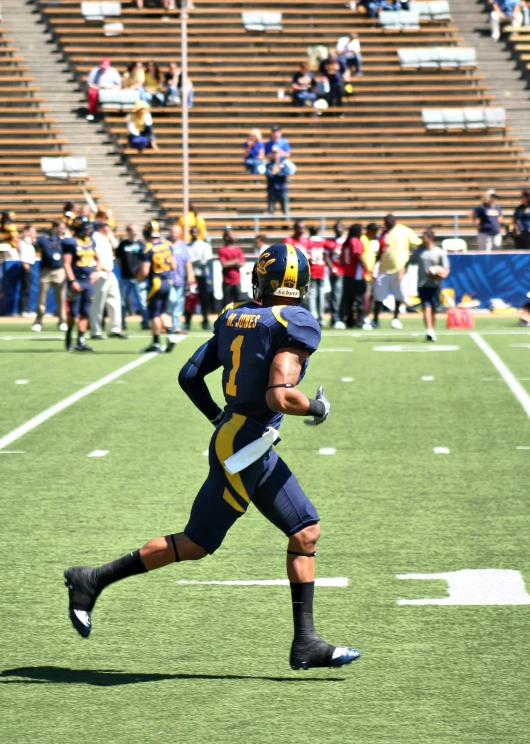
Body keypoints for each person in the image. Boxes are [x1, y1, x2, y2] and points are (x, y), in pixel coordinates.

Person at [63, 242, 361, 672]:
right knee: (222, 540)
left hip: (240, 438)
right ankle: (91, 580)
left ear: (262, 278)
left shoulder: (235, 314)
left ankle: (306, 643)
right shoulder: (295, 320)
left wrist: (219, 418)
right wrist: (318, 407)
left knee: (297, 533)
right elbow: (281, 395)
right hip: (246, 444)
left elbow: (189, 375)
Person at [371, 214, 421, 329]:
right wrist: (374, 268)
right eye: (385, 221)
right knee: (378, 296)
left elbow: (417, 244)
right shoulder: (384, 233)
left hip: (399, 270)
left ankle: (395, 318)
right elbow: (380, 251)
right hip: (383, 269)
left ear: (393, 221)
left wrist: (407, 263)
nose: (387, 223)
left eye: (388, 221)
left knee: (399, 296)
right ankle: (375, 319)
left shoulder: (404, 231)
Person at [62, 217, 102, 352]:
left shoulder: (91, 242)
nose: (89, 229)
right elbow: (67, 263)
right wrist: (73, 280)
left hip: (88, 281)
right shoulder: (71, 242)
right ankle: (69, 336)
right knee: (73, 313)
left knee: (85, 312)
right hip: (77, 280)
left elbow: (98, 259)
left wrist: (96, 271)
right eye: (86, 227)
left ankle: (81, 340)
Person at [137, 220, 176, 353]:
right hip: (167, 281)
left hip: (156, 283)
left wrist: (138, 279)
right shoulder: (167, 245)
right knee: (163, 312)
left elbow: (145, 272)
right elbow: (174, 266)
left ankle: (156, 343)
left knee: (154, 313)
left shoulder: (148, 248)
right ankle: (171, 336)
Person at [408, 230, 450, 342]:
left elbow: (446, 268)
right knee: (427, 306)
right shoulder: (419, 252)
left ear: (431, 238)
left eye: (425, 237)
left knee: (434, 309)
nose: (423, 239)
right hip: (423, 284)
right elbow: (409, 262)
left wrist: (441, 275)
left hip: (435, 285)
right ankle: (429, 330)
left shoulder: (439, 252)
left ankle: (432, 329)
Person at [89, 221, 126, 340]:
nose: (109, 228)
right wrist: (101, 268)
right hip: (100, 272)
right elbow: (96, 255)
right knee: (98, 304)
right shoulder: (95, 238)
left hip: (110, 272)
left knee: (114, 301)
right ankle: (96, 330)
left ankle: (115, 328)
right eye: (107, 226)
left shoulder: (104, 238)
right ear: (101, 227)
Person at [32, 221, 67, 332]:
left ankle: (62, 321)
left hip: (59, 270)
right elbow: (35, 247)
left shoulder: (64, 240)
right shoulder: (44, 238)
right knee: (42, 298)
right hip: (46, 271)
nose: (63, 230)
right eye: (61, 228)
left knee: (61, 298)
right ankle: (38, 321)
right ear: (55, 228)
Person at [116, 224, 149, 330]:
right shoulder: (123, 244)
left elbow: (145, 260)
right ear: (127, 231)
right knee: (122, 302)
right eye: (132, 230)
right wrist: (124, 267)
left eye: (135, 230)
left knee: (142, 302)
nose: (134, 232)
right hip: (125, 277)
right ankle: (122, 323)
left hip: (138, 279)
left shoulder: (141, 244)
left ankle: (145, 323)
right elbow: (117, 259)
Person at [341, 224, 370, 328]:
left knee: (348, 300)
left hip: (347, 274)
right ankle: (360, 322)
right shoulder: (356, 241)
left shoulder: (346, 242)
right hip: (357, 275)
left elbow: (342, 259)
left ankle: (349, 321)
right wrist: (368, 270)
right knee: (360, 299)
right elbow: (359, 256)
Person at [184, 225, 213, 330]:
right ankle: (187, 322)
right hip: (191, 276)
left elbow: (205, 260)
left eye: (196, 232)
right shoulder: (187, 246)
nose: (194, 234)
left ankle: (205, 321)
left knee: (204, 300)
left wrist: (192, 261)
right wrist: (196, 260)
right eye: (193, 232)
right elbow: (188, 261)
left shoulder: (205, 245)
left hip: (202, 276)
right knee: (190, 300)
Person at [306, 225, 336, 326]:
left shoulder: (308, 242)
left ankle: (313, 316)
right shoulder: (323, 242)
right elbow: (328, 254)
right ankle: (321, 316)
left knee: (313, 295)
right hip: (322, 270)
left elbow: (308, 257)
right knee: (321, 295)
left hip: (312, 270)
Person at [168, 223, 194, 333]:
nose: (174, 234)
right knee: (170, 301)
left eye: (176, 232)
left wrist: (190, 275)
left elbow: (187, 262)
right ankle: (167, 324)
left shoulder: (183, 246)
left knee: (178, 303)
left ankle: (176, 326)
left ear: (180, 234)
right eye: (172, 232)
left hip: (180, 279)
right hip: (167, 279)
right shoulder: (165, 244)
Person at [86, 58, 122, 122]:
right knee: (92, 93)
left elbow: (118, 84)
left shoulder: (113, 71)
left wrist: (113, 89)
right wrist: (97, 87)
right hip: (98, 88)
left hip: (111, 89)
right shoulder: (95, 71)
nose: (104, 69)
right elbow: (90, 83)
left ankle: (116, 112)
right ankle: (92, 112)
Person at [326, 220, 346, 329]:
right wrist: (333, 269)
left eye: (340, 227)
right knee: (336, 297)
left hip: (347, 272)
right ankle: (336, 318)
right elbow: (327, 257)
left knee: (344, 297)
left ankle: (344, 318)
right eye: (337, 227)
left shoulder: (346, 241)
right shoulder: (330, 242)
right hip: (336, 272)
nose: (339, 229)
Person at [218, 229, 246, 306]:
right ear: (226, 237)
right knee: (226, 303)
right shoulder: (222, 250)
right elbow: (224, 264)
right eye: (231, 234)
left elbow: (242, 262)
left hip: (237, 281)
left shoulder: (238, 249)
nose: (234, 236)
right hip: (227, 281)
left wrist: (231, 263)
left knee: (238, 303)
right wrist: (235, 261)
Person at [360, 222, 379, 329]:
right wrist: (368, 272)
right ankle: (364, 318)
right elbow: (362, 258)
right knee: (365, 298)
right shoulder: (363, 240)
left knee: (369, 297)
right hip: (365, 274)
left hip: (370, 273)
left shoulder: (370, 241)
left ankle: (366, 316)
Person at [17, 226, 37, 318]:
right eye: (32, 231)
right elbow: (23, 254)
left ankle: (27, 309)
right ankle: (24, 310)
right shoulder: (23, 242)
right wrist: (26, 266)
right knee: (26, 289)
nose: (34, 232)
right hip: (27, 265)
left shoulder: (29, 241)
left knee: (27, 289)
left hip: (29, 265)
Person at [266, 151, 290, 216]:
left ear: (279, 154)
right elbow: (269, 175)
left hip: (282, 189)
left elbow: (285, 173)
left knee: (285, 208)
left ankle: (286, 225)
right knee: (271, 209)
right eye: (273, 153)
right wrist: (277, 174)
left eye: (276, 153)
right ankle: (270, 225)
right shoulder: (269, 164)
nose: (275, 155)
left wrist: (276, 173)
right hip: (272, 189)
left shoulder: (283, 164)